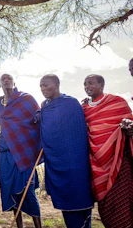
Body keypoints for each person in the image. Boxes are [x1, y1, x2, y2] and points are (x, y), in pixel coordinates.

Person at [37, 74, 94, 228]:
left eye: (46, 85)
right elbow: (45, 130)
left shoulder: (71, 103)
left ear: (56, 84)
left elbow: (78, 131)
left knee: (80, 195)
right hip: (56, 161)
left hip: (76, 159)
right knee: (66, 201)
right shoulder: (44, 107)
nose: (42, 89)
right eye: (40, 86)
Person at [82, 74, 133, 228]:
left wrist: (128, 127)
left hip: (118, 161)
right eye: (85, 84)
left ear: (101, 85)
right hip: (97, 164)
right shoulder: (83, 108)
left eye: (90, 83)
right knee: (106, 205)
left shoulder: (117, 102)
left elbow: (130, 125)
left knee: (123, 201)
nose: (87, 87)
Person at [0, 74, 42, 228]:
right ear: (0, 84)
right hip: (6, 153)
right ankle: (19, 226)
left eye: (9, 78)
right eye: (3, 79)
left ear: (15, 82)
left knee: (28, 191)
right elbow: (5, 127)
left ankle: (38, 226)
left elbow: (38, 120)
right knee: (11, 190)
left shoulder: (26, 99)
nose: (6, 81)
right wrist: (0, 141)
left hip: (23, 152)